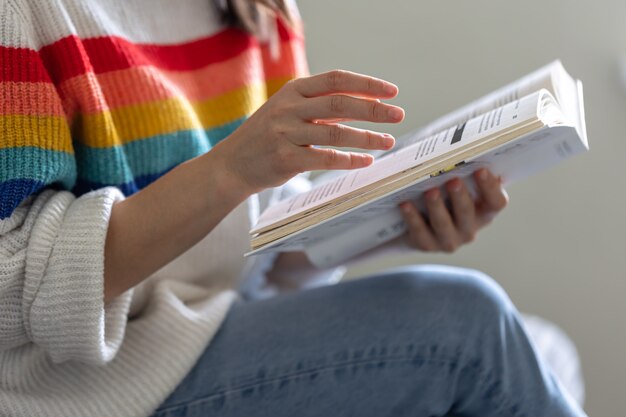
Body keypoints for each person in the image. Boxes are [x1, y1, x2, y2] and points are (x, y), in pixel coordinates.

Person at [0, 0, 587, 416]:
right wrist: (227, 170)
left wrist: (396, 226)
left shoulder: (256, 10)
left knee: (545, 348)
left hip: (219, 321)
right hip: (86, 383)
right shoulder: (23, 14)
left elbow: (258, 249)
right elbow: (12, 282)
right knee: (468, 323)